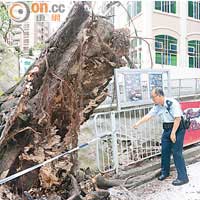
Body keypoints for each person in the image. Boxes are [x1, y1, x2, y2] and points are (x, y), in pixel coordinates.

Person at [133, 88, 189, 186]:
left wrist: (173, 133)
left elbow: (177, 118)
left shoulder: (172, 103)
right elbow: (149, 115)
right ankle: (165, 172)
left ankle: (183, 177)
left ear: (159, 95)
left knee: (176, 152)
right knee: (165, 151)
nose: (152, 99)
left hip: (177, 129)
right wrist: (138, 123)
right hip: (167, 129)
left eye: (153, 97)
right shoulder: (158, 106)